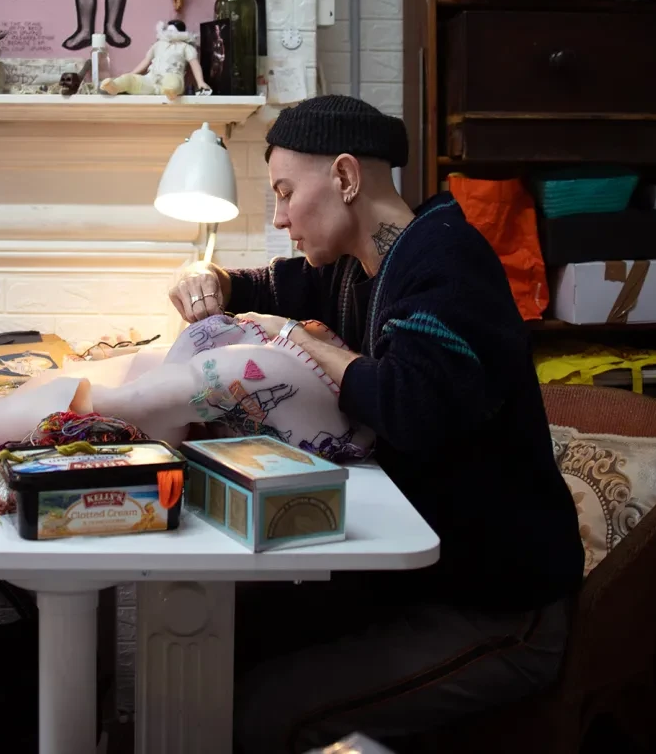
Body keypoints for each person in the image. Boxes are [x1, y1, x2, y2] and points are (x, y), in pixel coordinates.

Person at [169, 95, 583, 751]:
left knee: (261, 715)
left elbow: (411, 404)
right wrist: (211, 278)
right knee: (226, 640)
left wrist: (301, 342)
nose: (278, 218)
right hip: (420, 585)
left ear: (344, 178)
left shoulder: (447, 262)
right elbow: (264, 288)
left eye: (283, 193)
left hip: (500, 611)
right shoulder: (357, 267)